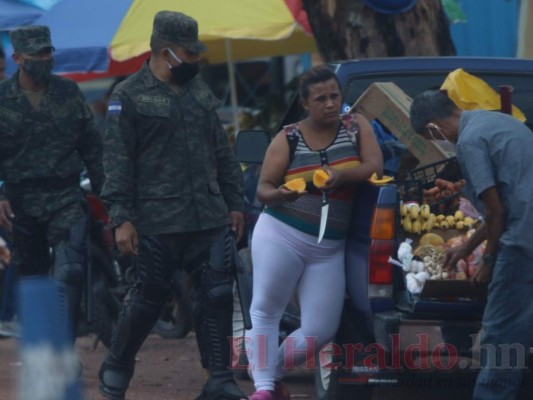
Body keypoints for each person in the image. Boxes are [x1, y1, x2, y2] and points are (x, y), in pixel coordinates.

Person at [97, 11, 247, 400]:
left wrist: (235, 202)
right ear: (166, 52)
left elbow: (222, 152)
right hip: (155, 221)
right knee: (149, 298)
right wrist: (121, 218)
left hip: (208, 216)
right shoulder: (128, 96)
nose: (196, 60)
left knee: (215, 294)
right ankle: (118, 363)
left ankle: (219, 379)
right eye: (189, 53)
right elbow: (116, 162)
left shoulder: (199, 92)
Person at [245, 65, 383, 400]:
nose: (330, 104)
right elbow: (263, 188)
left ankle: (272, 373)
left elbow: (374, 166)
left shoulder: (355, 126)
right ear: (305, 103)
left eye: (335, 96)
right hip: (281, 233)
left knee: (321, 329)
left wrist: (340, 177)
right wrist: (281, 194)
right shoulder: (289, 137)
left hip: (328, 247)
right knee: (266, 309)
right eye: (320, 98)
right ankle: (263, 390)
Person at [409, 90, 533, 400]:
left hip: (524, 242)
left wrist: (488, 262)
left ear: (434, 128)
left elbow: (495, 211)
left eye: (429, 137)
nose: (436, 142)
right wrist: (466, 248)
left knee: (500, 333)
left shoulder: (468, 141)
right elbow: (499, 207)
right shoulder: (496, 122)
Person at [0, 26, 104, 340]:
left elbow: (91, 147)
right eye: (37, 55)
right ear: (18, 58)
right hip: (20, 200)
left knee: (70, 270)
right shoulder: (3, 98)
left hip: (65, 195)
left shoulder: (68, 91)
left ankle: (65, 344)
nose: (45, 59)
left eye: (48, 52)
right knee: (32, 279)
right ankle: (40, 343)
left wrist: (109, 195)